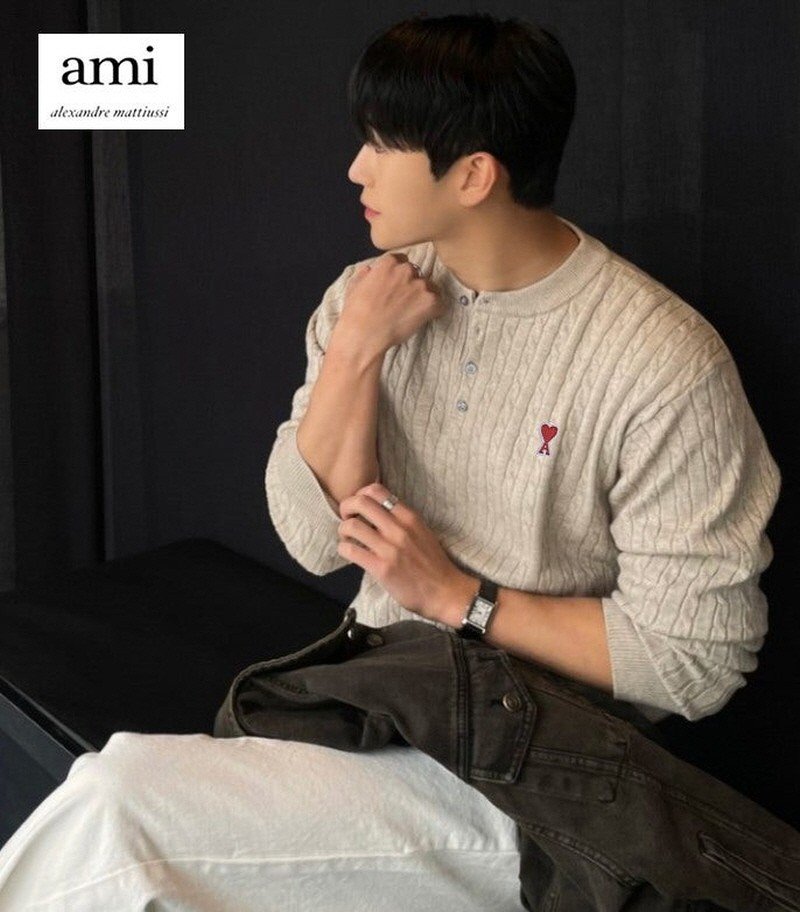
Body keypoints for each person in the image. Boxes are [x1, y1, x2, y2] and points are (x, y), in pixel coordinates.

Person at [0, 12, 780, 911]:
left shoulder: (662, 362)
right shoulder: (364, 299)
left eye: (381, 143)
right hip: (374, 707)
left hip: (536, 774)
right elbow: (312, 538)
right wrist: (355, 353)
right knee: (119, 812)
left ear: (474, 175)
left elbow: (695, 657)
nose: (354, 169)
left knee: (121, 813)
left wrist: (461, 598)